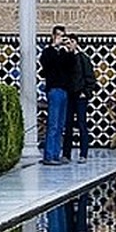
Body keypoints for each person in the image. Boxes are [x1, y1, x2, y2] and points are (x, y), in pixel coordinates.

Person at [39, 24, 75, 165]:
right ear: (54, 36)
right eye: (60, 35)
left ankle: (56, 154)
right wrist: (54, 46)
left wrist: (70, 51)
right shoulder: (48, 52)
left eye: (63, 35)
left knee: (60, 124)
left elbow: (70, 67)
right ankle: (48, 155)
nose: (62, 38)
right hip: (54, 90)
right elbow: (47, 64)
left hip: (64, 90)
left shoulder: (63, 53)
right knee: (53, 124)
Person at [62, 33, 98, 163]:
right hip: (69, 95)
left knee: (82, 124)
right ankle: (66, 154)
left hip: (80, 96)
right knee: (68, 125)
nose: (69, 45)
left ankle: (83, 154)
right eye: (67, 43)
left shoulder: (83, 59)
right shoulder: (65, 59)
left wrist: (86, 92)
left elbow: (91, 78)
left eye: (71, 42)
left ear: (76, 43)